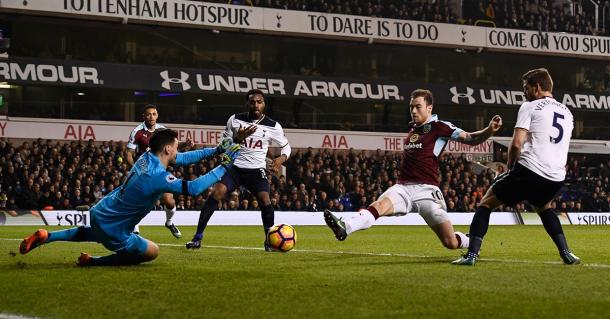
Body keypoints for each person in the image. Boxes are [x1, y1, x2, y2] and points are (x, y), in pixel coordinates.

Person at [19, 129, 240, 266]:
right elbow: (192, 188)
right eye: (174, 147)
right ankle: (93, 262)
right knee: (151, 251)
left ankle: (47, 235)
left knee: (92, 233)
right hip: (114, 227)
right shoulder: (158, 176)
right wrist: (224, 167)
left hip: (100, 211)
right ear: (166, 150)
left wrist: (217, 150)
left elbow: (183, 158)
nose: (177, 151)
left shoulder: (146, 157)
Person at [324, 89, 502, 252]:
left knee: (450, 242)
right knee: (378, 206)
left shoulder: (440, 127)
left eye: (418, 107)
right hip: (403, 188)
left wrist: (489, 130)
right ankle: (345, 227)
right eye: (411, 107)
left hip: (427, 191)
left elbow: (470, 138)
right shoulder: (413, 129)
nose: (414, 111)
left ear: (429, 108)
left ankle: (470, 241)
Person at [453, 68, 580, 266]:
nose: (524, 92)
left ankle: (471, 255)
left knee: (486, 203)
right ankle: (566, 252)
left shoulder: (530, 106)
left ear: (537, 87)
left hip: (530, 169)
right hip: (556, 176)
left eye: (526, 88)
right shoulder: (567, 112)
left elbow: (516, 144)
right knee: (544, 207)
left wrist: (511, 169)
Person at [187, 89, 291, 251]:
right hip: (235, 168)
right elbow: (223, 146)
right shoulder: (235, 120)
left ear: (264, 104)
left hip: (256, 171)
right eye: (252, 102)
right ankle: (197, 237)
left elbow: (286, 147)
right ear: (247, 104)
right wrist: (236, 139)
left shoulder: (273, 126)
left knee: (265, 200)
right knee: (216, 193)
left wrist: (281, 158)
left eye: (259, 102)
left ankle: (269, 241)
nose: (255, 105)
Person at [126, 104, 192, 238]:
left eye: (154, 114)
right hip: (144, 170)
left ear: (157, 115)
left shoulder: (163, 130)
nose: (151, 117)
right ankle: (135, 229)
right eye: (149, 114)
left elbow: (174, 146)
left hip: (160, 171)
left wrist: (185, 144)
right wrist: (135, 168)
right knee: (137, 200)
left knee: (170, 202)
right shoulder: (137, 132)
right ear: (144, 116)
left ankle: (169, 222)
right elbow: (129, 153)